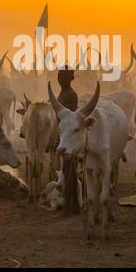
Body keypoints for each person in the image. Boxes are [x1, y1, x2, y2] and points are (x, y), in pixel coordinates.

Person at [56, 66, 80, 214]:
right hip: (64, 138)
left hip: (69, 140)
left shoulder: (71, 95)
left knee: (69, 172)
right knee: (68, 172)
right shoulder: (63, 93)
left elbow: (70, 119)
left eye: (64, 76)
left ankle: (69, 206)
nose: (60, 78)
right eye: (59, 75)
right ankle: (74, 206)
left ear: (71, 78)